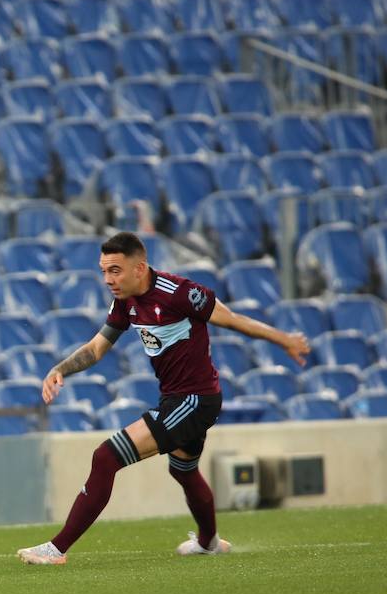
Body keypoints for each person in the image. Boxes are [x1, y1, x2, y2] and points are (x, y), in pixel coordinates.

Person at [17, 231, 310, 566]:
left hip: (194, 400)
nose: (107, 279)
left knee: (106, 457)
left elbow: (233, 320)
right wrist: (61, 369)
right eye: (103, 271)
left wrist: (284, 339)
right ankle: (209, 542)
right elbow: (98, 347)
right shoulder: (125, 301)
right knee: (184, 471)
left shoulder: (181, 293)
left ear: (139, 268)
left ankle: (56, 549)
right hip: (181, 399)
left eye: (115, 270)